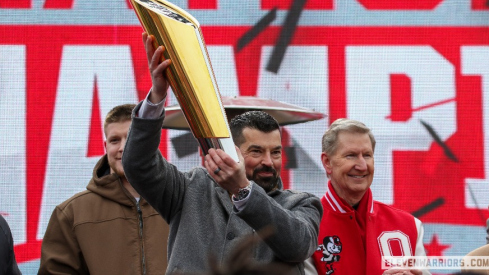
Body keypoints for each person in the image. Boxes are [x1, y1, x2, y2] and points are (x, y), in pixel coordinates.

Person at [120, 32, 322, 275]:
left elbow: (298, 246)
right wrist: (158, 96)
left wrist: (243, 190)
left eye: (276, 152)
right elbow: (138, 165)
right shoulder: (189, 189)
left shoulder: (300, 203)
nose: (268, 162)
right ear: (231, 151)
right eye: (256, 151)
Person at [38, 104, 170, 275]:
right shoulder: (71, 214)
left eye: (131, 138)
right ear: (105, 146)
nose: (123, 147)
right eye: (115, 140)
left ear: (149, 142)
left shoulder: (181, 203)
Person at [308, 118, 429, 275]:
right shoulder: (307, 227)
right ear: (327, 162)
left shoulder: (410, 226)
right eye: (351, 155)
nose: (362, 166)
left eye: (367, 155)